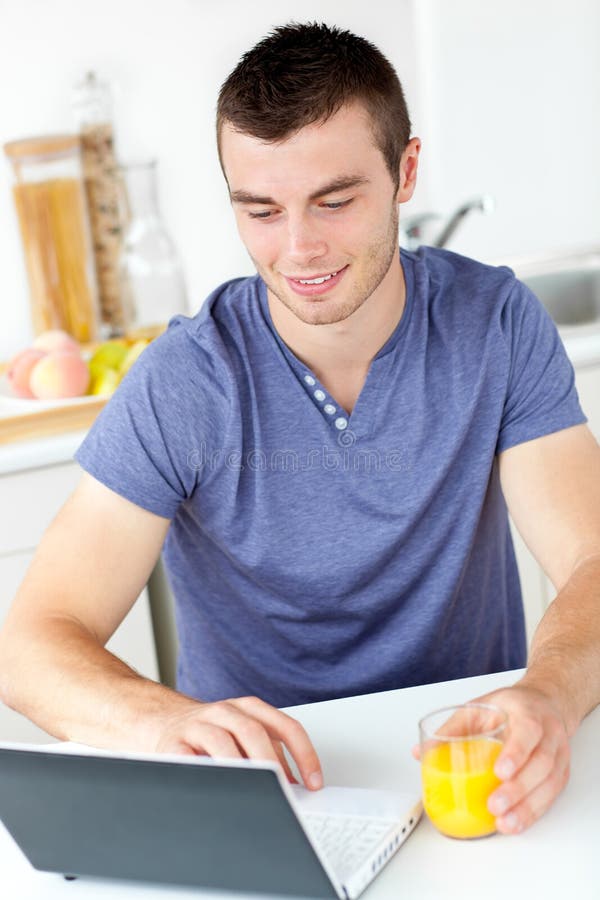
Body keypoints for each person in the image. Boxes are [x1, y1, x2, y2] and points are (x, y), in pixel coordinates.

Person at [1, 22, 599, 838]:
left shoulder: (495, 324)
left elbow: (591, 560)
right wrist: (164, 723)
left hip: (468, 769)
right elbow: (30, 647)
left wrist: (550, 694)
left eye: (335, 201)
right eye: (261, 210)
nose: (298, 249)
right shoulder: (185, 380)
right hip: (270, 800)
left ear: (406, 172)